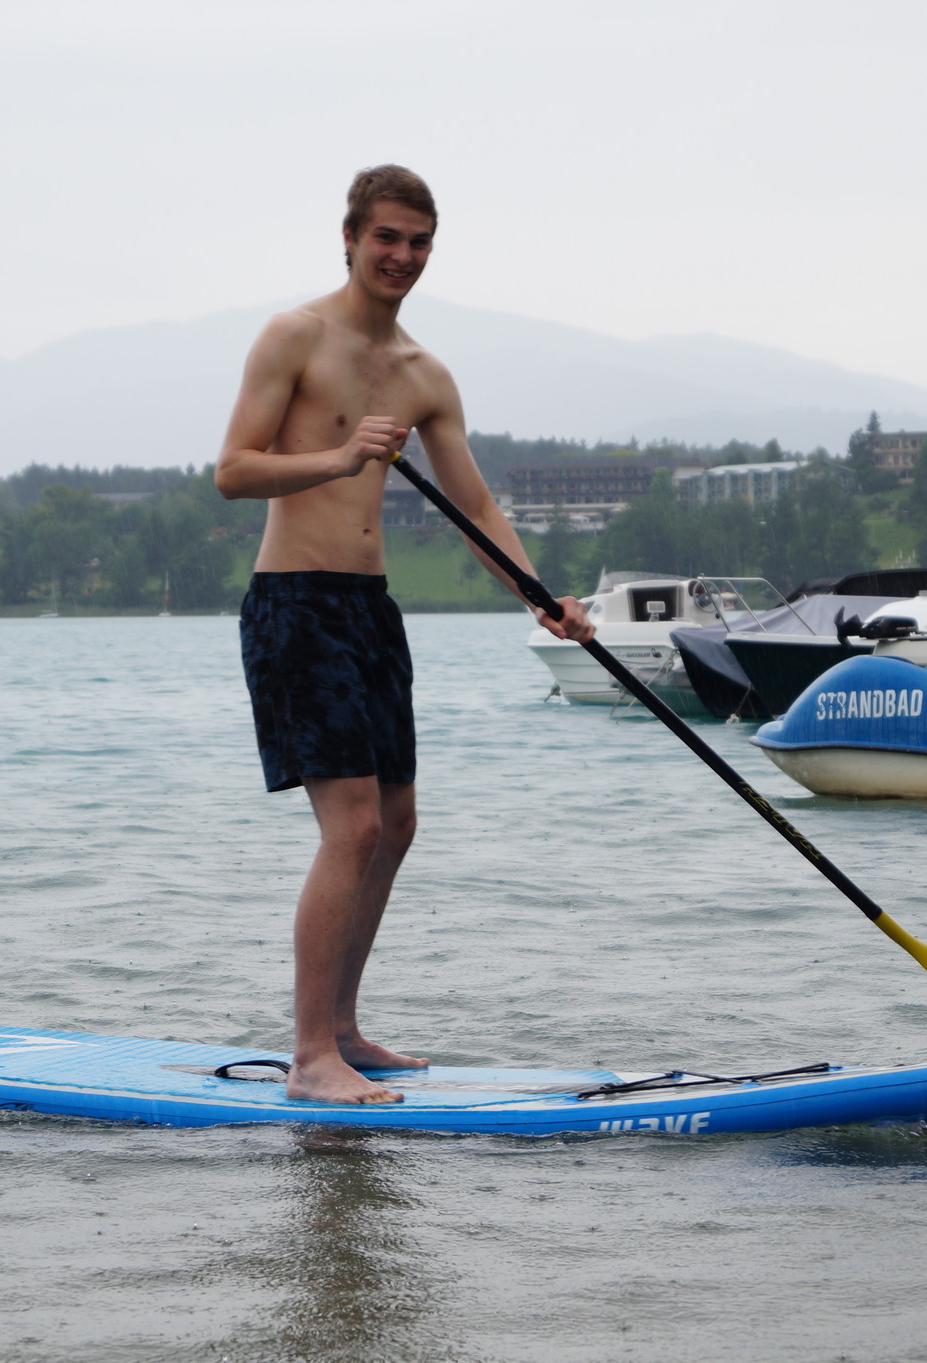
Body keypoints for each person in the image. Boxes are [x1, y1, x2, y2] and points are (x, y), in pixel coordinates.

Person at [215, 165, 595, 1104]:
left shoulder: (426, 374)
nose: (403, 256)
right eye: (386, 237)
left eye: (419, 242)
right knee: (350, 826)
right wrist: (341, 455)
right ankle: (310, 1057)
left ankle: (344, 1030)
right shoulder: (296, 336)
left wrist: (538, 596)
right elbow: (234, 469)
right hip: (295, 603)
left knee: (396, 824)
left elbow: (475, 509)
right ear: (349, 237)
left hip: (371, 610)